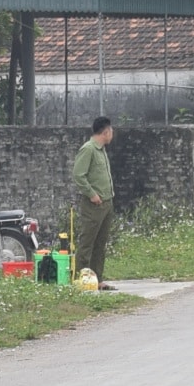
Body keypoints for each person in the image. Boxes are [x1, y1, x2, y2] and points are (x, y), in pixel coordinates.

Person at [70, 114, 117, 287]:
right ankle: (81, 278)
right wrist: (92, 194)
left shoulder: (102, 150)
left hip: (107, 203)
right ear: (105, 132)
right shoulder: (88, 149)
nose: (112, 134)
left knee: (100, 244)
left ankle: (98, 279)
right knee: (87, 242)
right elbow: (78, 175)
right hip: (94, 205)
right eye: (111, 131)